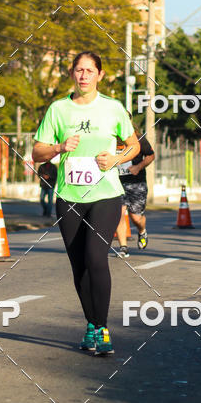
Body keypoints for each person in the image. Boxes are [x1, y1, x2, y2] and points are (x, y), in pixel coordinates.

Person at [32, 51, 139, 356]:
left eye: (89, 71)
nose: (83, 76)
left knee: (95, 257)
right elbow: (37, 152)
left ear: (99, 75)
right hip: (69, 197)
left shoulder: (113, 108)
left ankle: (102, 329)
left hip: (105, 194)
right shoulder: (58, 110)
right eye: (79, 70)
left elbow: (134, 145)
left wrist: (116, 158)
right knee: (78, 265)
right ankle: (91, 325)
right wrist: (59, 147)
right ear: (72, 74)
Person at [115, 134, 155, 257]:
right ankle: (123, 248)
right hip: (116, 183)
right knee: (118, 214)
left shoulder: (137, 137)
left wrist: (138, 166)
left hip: (136, 183)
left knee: (136, 218)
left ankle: (142, 231)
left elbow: (151, 155)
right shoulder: (108, 135)